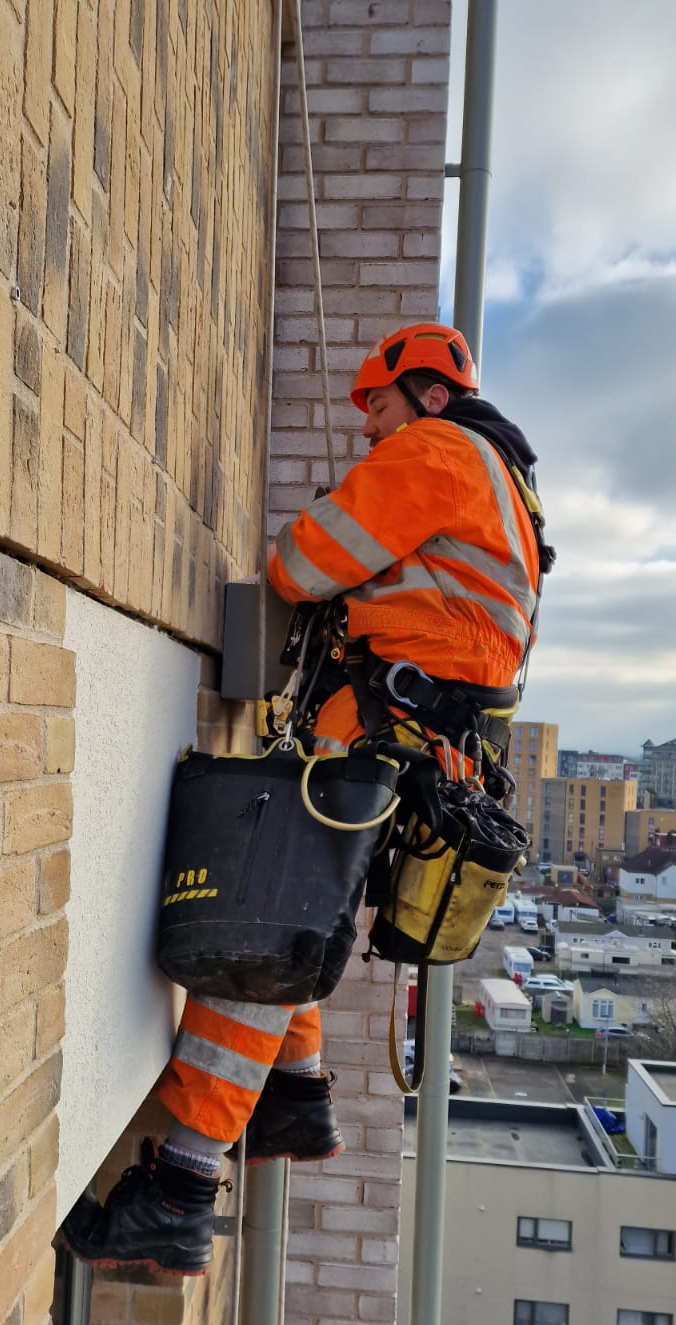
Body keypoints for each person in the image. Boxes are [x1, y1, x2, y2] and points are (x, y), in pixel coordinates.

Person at [61, 323, 544, 1276]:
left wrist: (326, 529)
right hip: (420, 749)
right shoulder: (510, 486)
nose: (371, 434)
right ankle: (294, 1094)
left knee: (265, 937)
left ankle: (183, 1187)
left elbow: (302, 565)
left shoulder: (442, 451)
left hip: (378, 738)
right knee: (297, 917)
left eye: (378, 408)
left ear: (429, 397)